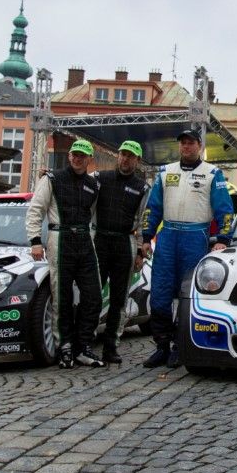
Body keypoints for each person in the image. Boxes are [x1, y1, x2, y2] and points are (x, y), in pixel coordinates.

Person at [140, 128, 235, 368]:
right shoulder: (165, 172)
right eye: (183, 143)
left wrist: (223, 238)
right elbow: (153, 207)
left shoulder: (213, 173)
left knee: (187, 296)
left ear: (200, 146)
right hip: (168, 236)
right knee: (160, 296)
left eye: (191, 143)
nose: (187, 147)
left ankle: (179, 347)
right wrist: (146, 236)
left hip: (196, 237)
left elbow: (225, 210)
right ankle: (161, 346)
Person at [26, 139, 104, 369]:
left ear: (90, 159)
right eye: (74, 154)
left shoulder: (94, 185)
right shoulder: (51, 179)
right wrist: (35, 241)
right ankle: (65, 347)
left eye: (83, 155)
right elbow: (36, 210)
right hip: (59, 239)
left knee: (94, 296)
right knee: (62, 297)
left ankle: (84, 346)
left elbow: (94, 215)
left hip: (84, 240)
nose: (78, 158)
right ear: (69, 156)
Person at [93, 140, 151, 365]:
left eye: (130, 156)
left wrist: (139, 251)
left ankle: (111, 347)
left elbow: (144, 221)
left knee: (119, 298)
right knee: (92, 295)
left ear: (137, 161)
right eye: (123, 154)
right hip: (100, 240)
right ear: (117, 156)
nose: (125, 159)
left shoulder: (142, 187)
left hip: (124, 242)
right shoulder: (100, 178)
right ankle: (85, 342)